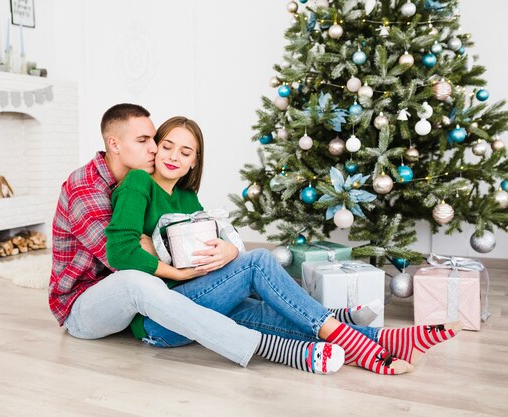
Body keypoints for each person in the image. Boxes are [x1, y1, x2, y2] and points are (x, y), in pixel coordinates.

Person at [105, 115, 463, 375]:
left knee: (258, 310)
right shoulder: (139, 183)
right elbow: (120, 251)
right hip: (160, 321)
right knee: (259, 262)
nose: (173, 156)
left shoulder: (188, 199)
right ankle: (353, 339)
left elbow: (220, 248)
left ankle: (378, 340)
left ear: (195, 161)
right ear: (155, 149)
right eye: (166, 146)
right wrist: (178, 272)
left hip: (199, 304)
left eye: (186, 152)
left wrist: (230, 252)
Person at [49, 103, 343, 374]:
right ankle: (268, 346)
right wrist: (179, 266)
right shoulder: (86, 187)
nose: (154, 149)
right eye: (145, 141)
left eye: (154, 140)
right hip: (83, 304)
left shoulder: (146, 181)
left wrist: (224, 255)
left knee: (238, 292)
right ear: (114, 144)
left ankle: (344, 330)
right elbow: (122, 257)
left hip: (138, 305)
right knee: (139, 280)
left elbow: (198, 237)